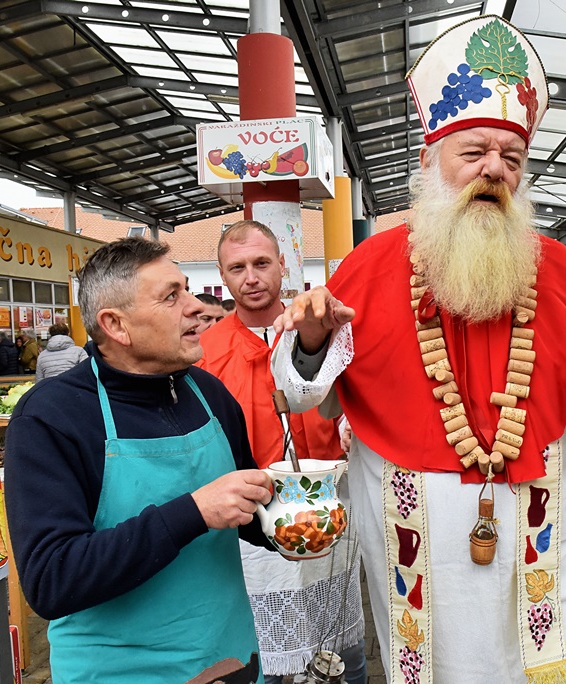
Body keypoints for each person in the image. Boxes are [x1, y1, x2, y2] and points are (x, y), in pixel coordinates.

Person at [270, 16, 566, 683]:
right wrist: (309, 339)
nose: (493, 171)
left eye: (511, 158)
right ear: (429, 159)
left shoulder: (559, 268)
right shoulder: (368, 266)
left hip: (542, 532)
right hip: (418, 541)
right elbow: (303, 394)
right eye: (473, 152)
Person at [4, 237, 274, 684]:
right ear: (116, 325)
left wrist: (293, 524)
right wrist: (194, 512)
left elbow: (245, 511)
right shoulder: (52, 417)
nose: (196, 307)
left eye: (187, 289)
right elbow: (51, 579)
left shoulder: (209, 394)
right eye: (172, 296)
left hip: (231, 660)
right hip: (120, 672)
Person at [196, 219, 367, 684]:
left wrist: (351, 426)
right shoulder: (204, 354)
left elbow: (359, 393)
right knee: (268, 657)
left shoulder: (321, 331)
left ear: (282, 265)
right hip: (252, 523)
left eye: (261, 263)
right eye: (238, 267)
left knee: (343, 651)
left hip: (329, 505)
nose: (251, 277)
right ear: (222, 274)